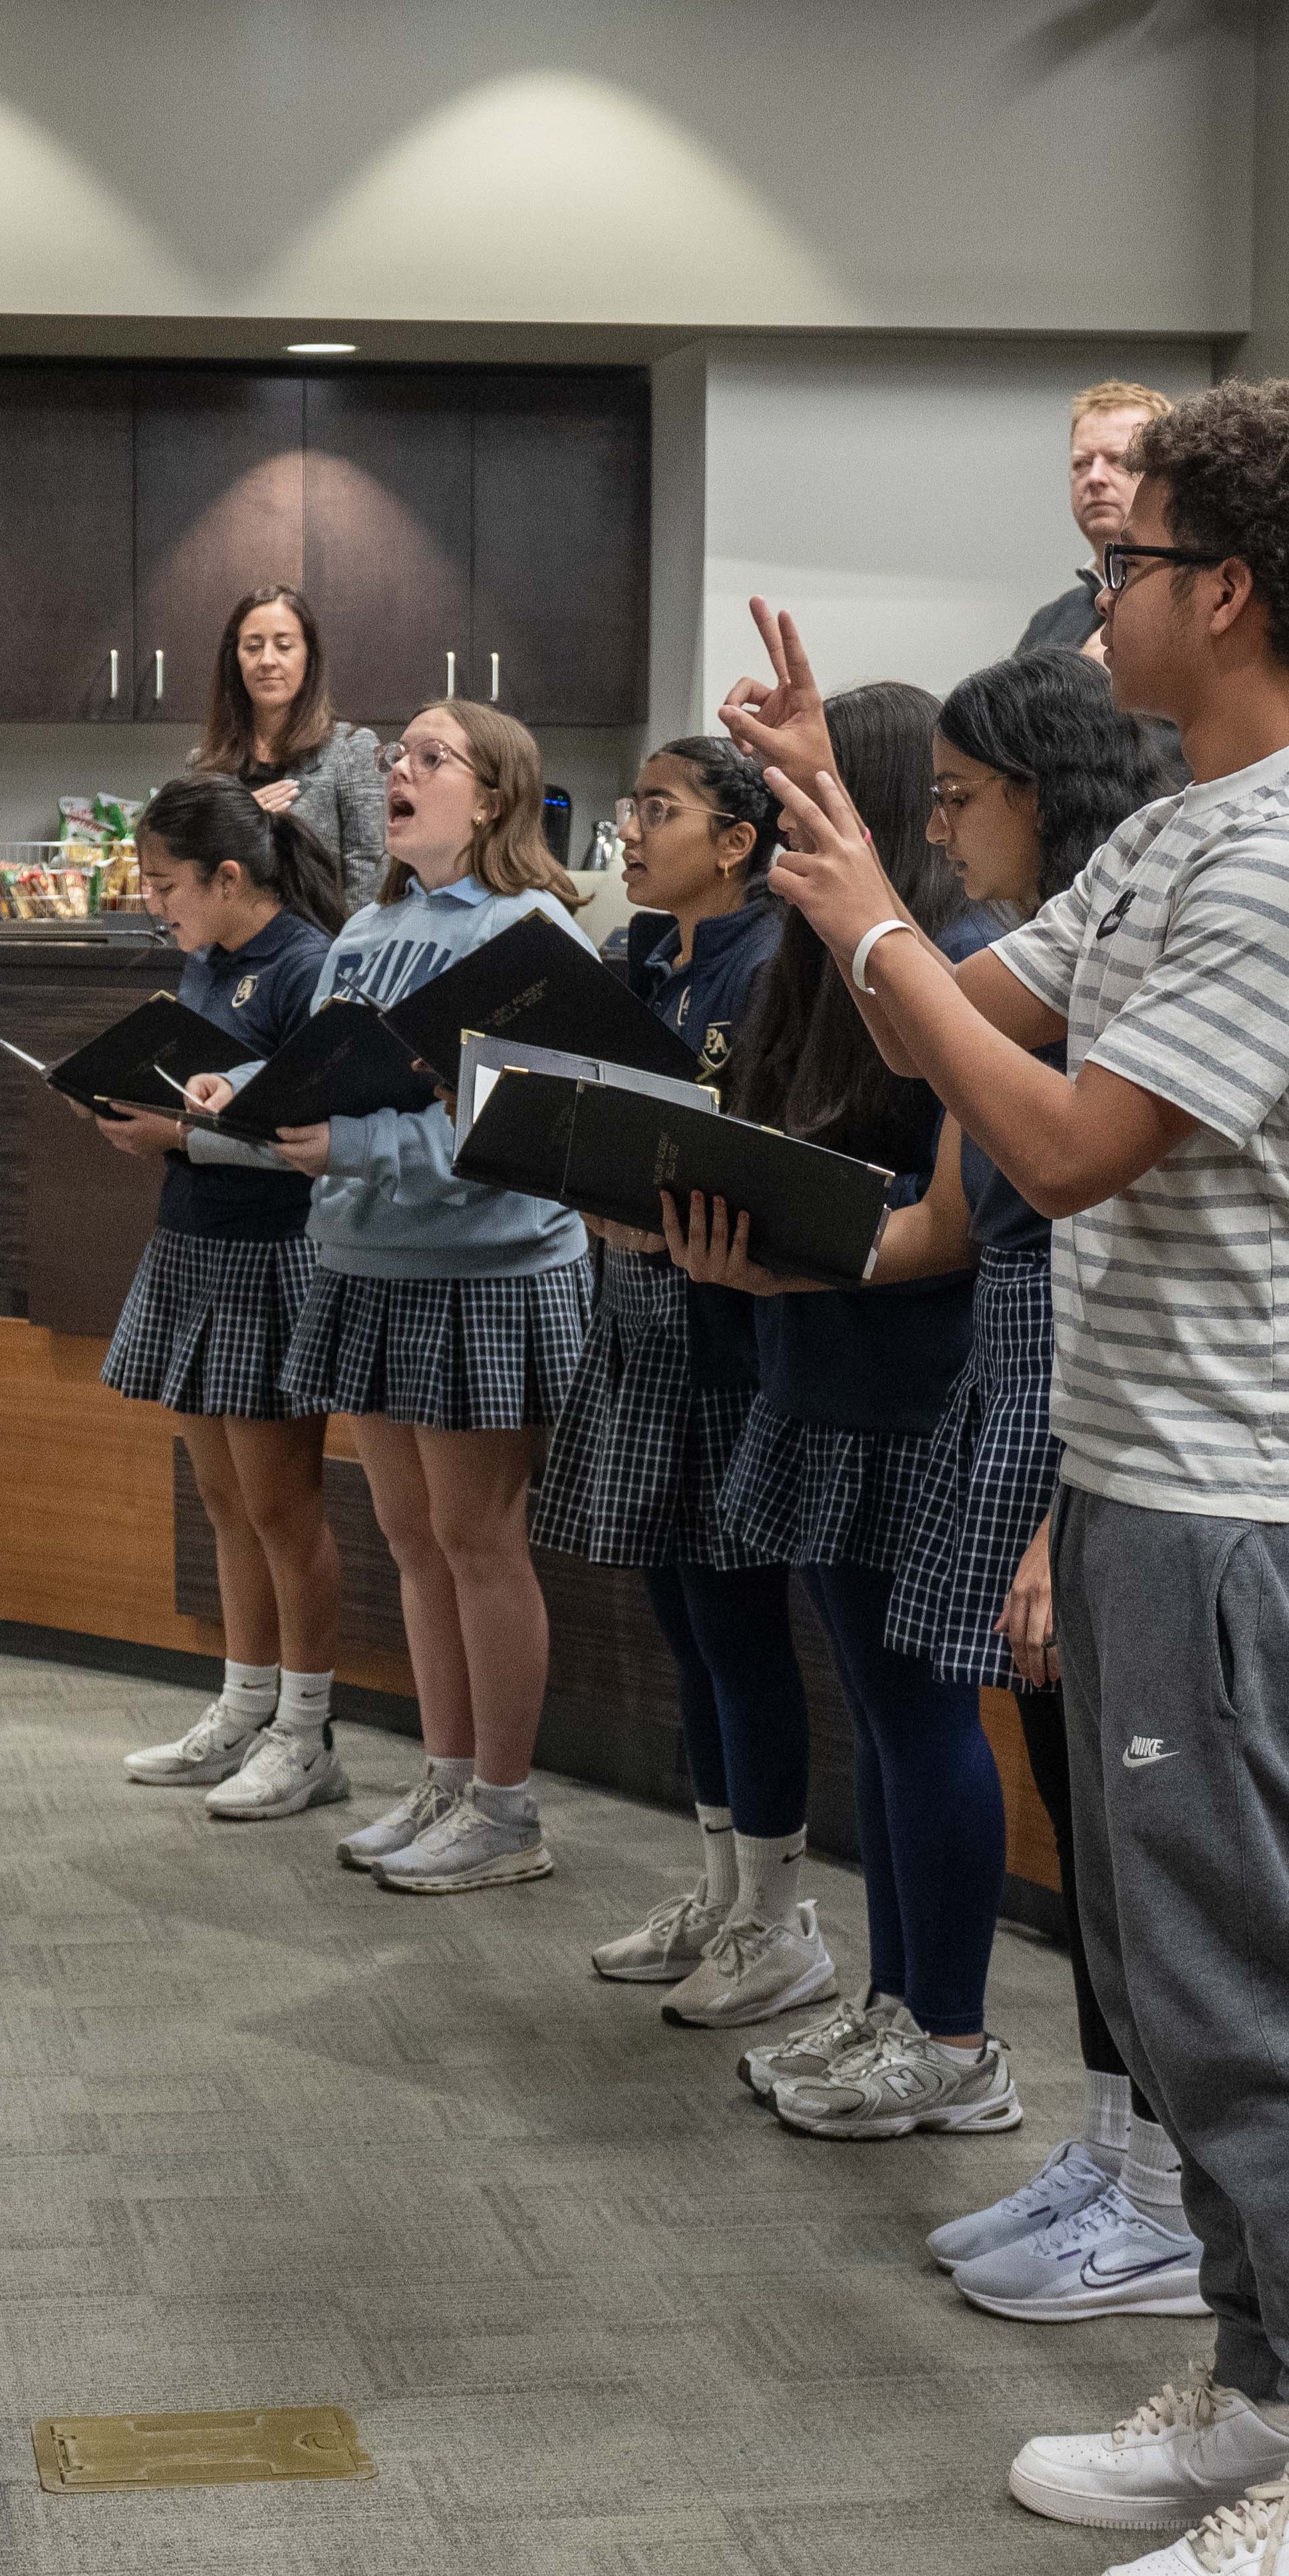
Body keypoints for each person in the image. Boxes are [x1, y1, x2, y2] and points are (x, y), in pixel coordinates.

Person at [730, 378, 1289, 2576]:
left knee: (1255, 2003)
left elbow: (1052, 1144)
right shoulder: (1170, 829)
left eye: (1125, 555)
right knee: (1151, 1976)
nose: (1098, 586)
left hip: (1270, 1504)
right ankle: (1257, 2389)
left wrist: (869, 918)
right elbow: (948, 1019)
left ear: (1221, 588)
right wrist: (845, 859)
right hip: (1149, 1476)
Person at [858, 651, 1205, 2320]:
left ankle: (1161, 2191)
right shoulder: (1018, 953)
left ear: (1045, 794)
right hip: (1024, 1363)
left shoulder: (1107, 960)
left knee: (1117, 1815)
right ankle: (1115, 2145)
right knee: (1075, 1804)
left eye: (957, 794)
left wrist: (1069, 1516)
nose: (934, 823)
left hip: (1089, 1383)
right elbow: (929, 1118)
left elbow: (1105, 1225)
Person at [662, 684, 1019, 2139]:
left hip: (911, 1381)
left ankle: (955, 2035)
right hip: (815, 1367)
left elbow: (958, 1216)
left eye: (814, 793)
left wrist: (805, 1245)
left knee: (925, 1716)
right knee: (873, 1714)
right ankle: (898, 2000)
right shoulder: (808, 965)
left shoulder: (967, 958)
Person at [215, 700, 589, 1897]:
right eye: (394, 758)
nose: (398, 771)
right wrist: (252, 1111)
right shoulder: (365, 934)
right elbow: (332, 1098)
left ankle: (506, 1805)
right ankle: (443, 1773)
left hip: (485, 1268)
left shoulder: (530, 932)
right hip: (368, 1261)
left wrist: (358, 1148)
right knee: (411, 1538)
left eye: (431, 757)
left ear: (492, 797)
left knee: (479, 1539)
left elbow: (526, 1135)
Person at [537, 737, 809, 2009]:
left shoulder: (769, 969)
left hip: (731, 1339)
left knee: (738, 1627)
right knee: (681, 1622)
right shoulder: (646, 956)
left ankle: (778, 1912)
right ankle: (718, 1890)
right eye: (629, 805)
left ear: (739, 843)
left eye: (659, 810)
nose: (629, 830)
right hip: (640, 1314)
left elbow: (765, 1155)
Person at [84, 773, 349, 1819]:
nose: (154, 902)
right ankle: (242, 1705)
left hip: (271, 1255)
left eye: (164, 883)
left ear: (228, 875)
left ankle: (306, 1728)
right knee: (221, 1499)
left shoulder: (305, 967)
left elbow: (307, 1146)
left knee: (282, 1507)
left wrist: (175, 1134)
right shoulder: (204, 965)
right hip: (192, 1240)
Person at [192, 584, 387, 908]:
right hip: (222, 954)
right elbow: (190, 876)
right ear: (235, 659)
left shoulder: (352, 750)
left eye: (284, 646)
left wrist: (343, 955)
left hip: (321, 951)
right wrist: (240, 824)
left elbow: (370, 872)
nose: (267, 660)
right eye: (253, 647)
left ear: (308, 657)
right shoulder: (204, 765)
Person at [1017, 381, 1174, 658]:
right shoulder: (1050, 625)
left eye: (1118, 460)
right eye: (1082, 463)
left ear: (1165, 477)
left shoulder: (1192, 606)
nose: (1095, 477)